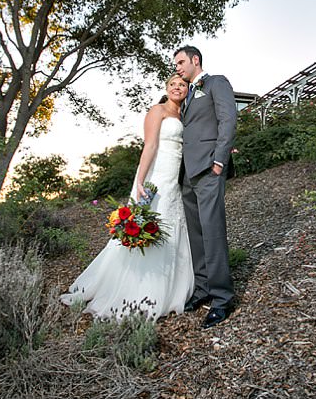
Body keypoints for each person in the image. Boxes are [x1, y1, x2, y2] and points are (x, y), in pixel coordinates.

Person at [60, 75, 194, 320]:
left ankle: (171, 288)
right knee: (151, 224)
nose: (178, 88)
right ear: (166, 88)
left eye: (182, 85)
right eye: (173, 84)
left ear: (187, 89)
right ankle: (138, 288)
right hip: (156, 178)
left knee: (172, 225)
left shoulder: (182, 116)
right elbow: (150, 146)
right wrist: (140, 181)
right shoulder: (158, 110)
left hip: (174, 179)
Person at [173, 45, 238, 329]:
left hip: (209, 170)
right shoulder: (186, 95)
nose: (177, 67)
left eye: (180, 62)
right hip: (187, 174)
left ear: (195, 60)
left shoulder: (216, 83)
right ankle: (203, 290)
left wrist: (219, 162)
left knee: (212, 234)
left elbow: (229, 120)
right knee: (196, 237)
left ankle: (222, 298)